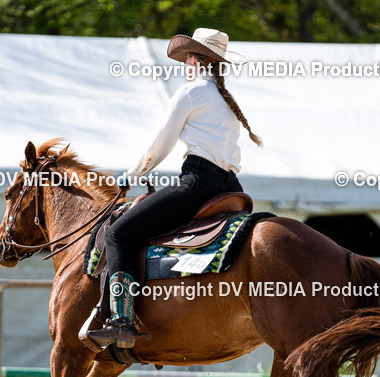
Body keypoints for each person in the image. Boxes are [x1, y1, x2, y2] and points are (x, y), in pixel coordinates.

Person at [88, 28, 262, 349]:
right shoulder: (227, 100)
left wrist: (132, 174)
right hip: (230, 188)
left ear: (195, 60)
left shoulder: (190, 92)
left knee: (117, 234)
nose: (185, 65)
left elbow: (160, 145)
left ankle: (122, 320)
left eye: (186, 59)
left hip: (197, 184)